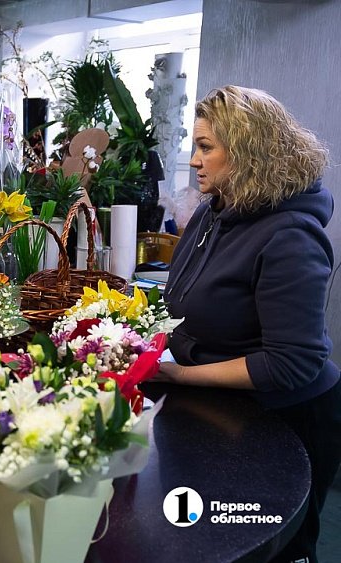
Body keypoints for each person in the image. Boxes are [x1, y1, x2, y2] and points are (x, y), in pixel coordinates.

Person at [158, 85, 341, 563]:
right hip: (228, 411)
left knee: (270, 550)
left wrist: (179, 374)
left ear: (247, 152)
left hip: (286, 422)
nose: (194, 161)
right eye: (194, 146)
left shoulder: (290, 237)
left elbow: (291, 363)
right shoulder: (212, 212)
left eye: (206, 147)